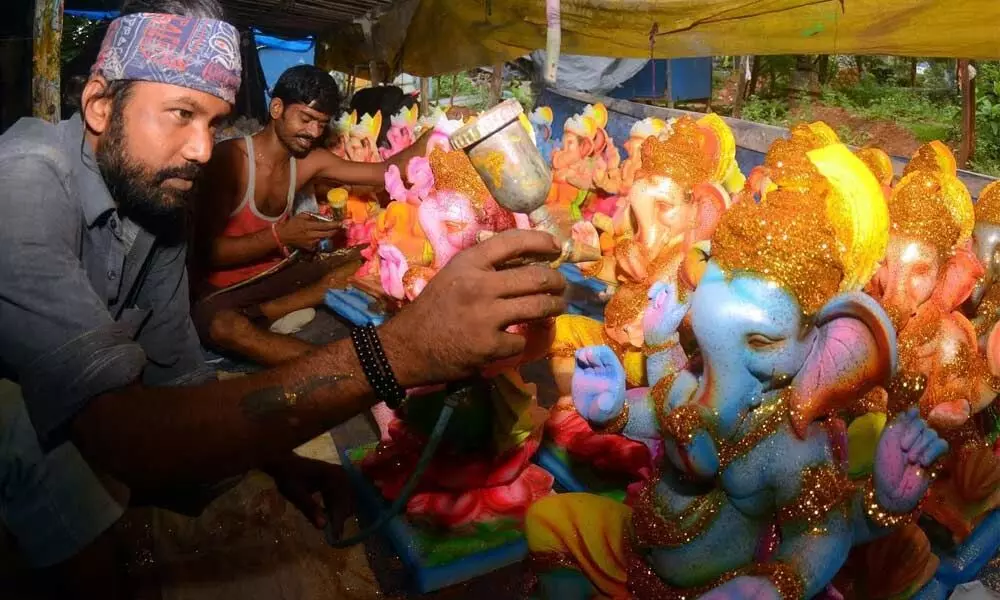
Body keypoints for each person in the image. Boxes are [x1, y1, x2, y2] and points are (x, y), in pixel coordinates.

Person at [0, 0, 566, 593]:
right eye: (181, 114)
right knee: (49, 450)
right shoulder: (24, 183)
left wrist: (275, 459)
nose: (201, 149)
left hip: (117, 429)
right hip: (60, 442)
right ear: (98, 106)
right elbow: (118, 435)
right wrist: (399, 352)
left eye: (215, 123)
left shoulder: (160, 199)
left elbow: (178, 379)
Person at [191, 66, 427, 366]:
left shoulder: (309, 161)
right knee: (223, 327)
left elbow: (383, 173)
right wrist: (281, 236)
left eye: (322, 124)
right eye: (306, 119)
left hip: (277, 280)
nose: (313, 133)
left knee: (368, 254)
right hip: (226, 291)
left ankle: (269, 311)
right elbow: (205, 254)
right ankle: (351, 369)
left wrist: (439, 137)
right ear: (277, 108)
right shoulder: (231, 161)